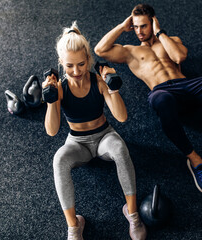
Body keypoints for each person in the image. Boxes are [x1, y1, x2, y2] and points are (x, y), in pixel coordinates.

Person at [94, 4, 202, 197]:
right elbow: (100, 50)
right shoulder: (130, 52)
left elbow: (179, 56)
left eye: (144, 26)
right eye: (136, 27)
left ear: (153, 22)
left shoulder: (170, 41)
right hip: (162, 92)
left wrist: (160, 32)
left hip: (187, 86)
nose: (139, 31)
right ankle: (196, 161)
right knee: (160, 99)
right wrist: (123, 26)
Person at [43, 21, 147, 240]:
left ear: (88, 60)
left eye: (81, 64)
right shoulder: (60, 89)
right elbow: (52, 131)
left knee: (119, 149)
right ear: (61, 63)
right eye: (69, 66)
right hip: (77, 143)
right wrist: (51, 100)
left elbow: (121, 117)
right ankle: (73, 226)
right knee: (58, 160)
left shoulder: (98, 81)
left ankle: (133, 213)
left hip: (103, 136)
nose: (76, 71)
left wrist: (112, 88)